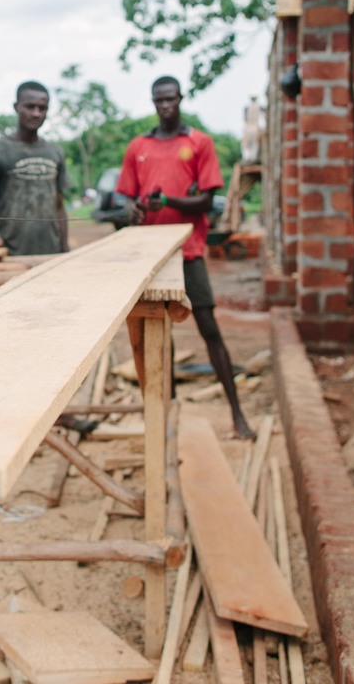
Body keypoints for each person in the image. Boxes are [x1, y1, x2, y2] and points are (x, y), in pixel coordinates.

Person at [117, 76, 255, 439]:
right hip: (149, 254)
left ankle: (237, 415)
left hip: (188, 251)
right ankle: (165, 419)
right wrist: (131, 211)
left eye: (171, 99)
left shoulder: (199, 142)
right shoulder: (138, 146)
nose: (165, 105)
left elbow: (207, 201)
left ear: (181, 99)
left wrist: (171, 202)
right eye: (159, 100)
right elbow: (126, 198)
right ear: (152, 101)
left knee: (208, 328)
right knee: (159, 335)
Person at [0, 81, 70, 255]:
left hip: (52, 252)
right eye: (30, 106)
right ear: (16, 107)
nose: (36, 113)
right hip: (11, 253)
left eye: (42, 108)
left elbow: (59, 206)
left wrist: (64, 249)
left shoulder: (55, 152)